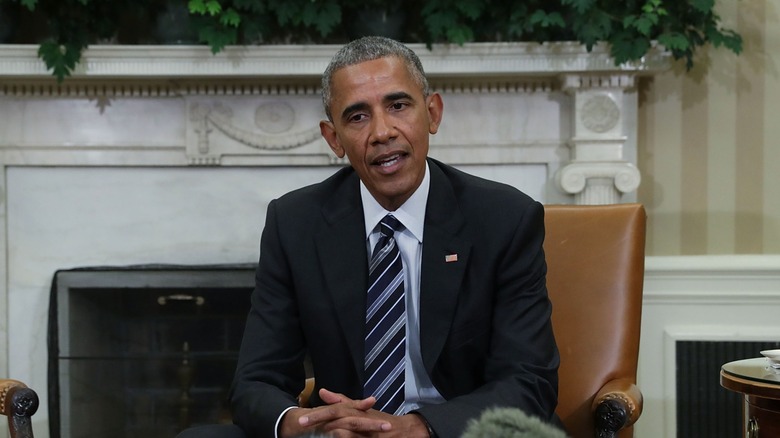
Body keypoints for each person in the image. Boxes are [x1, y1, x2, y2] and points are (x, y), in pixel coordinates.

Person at [178, 35, 560, 438]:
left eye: (398, 106)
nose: (382, 132)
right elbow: (256, 380)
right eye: (357, 117)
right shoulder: (295, 224)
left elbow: (528, 381)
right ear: (333, 138)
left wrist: (419, 428)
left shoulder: (504, 219)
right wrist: (304, 424)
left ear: (432, 113)